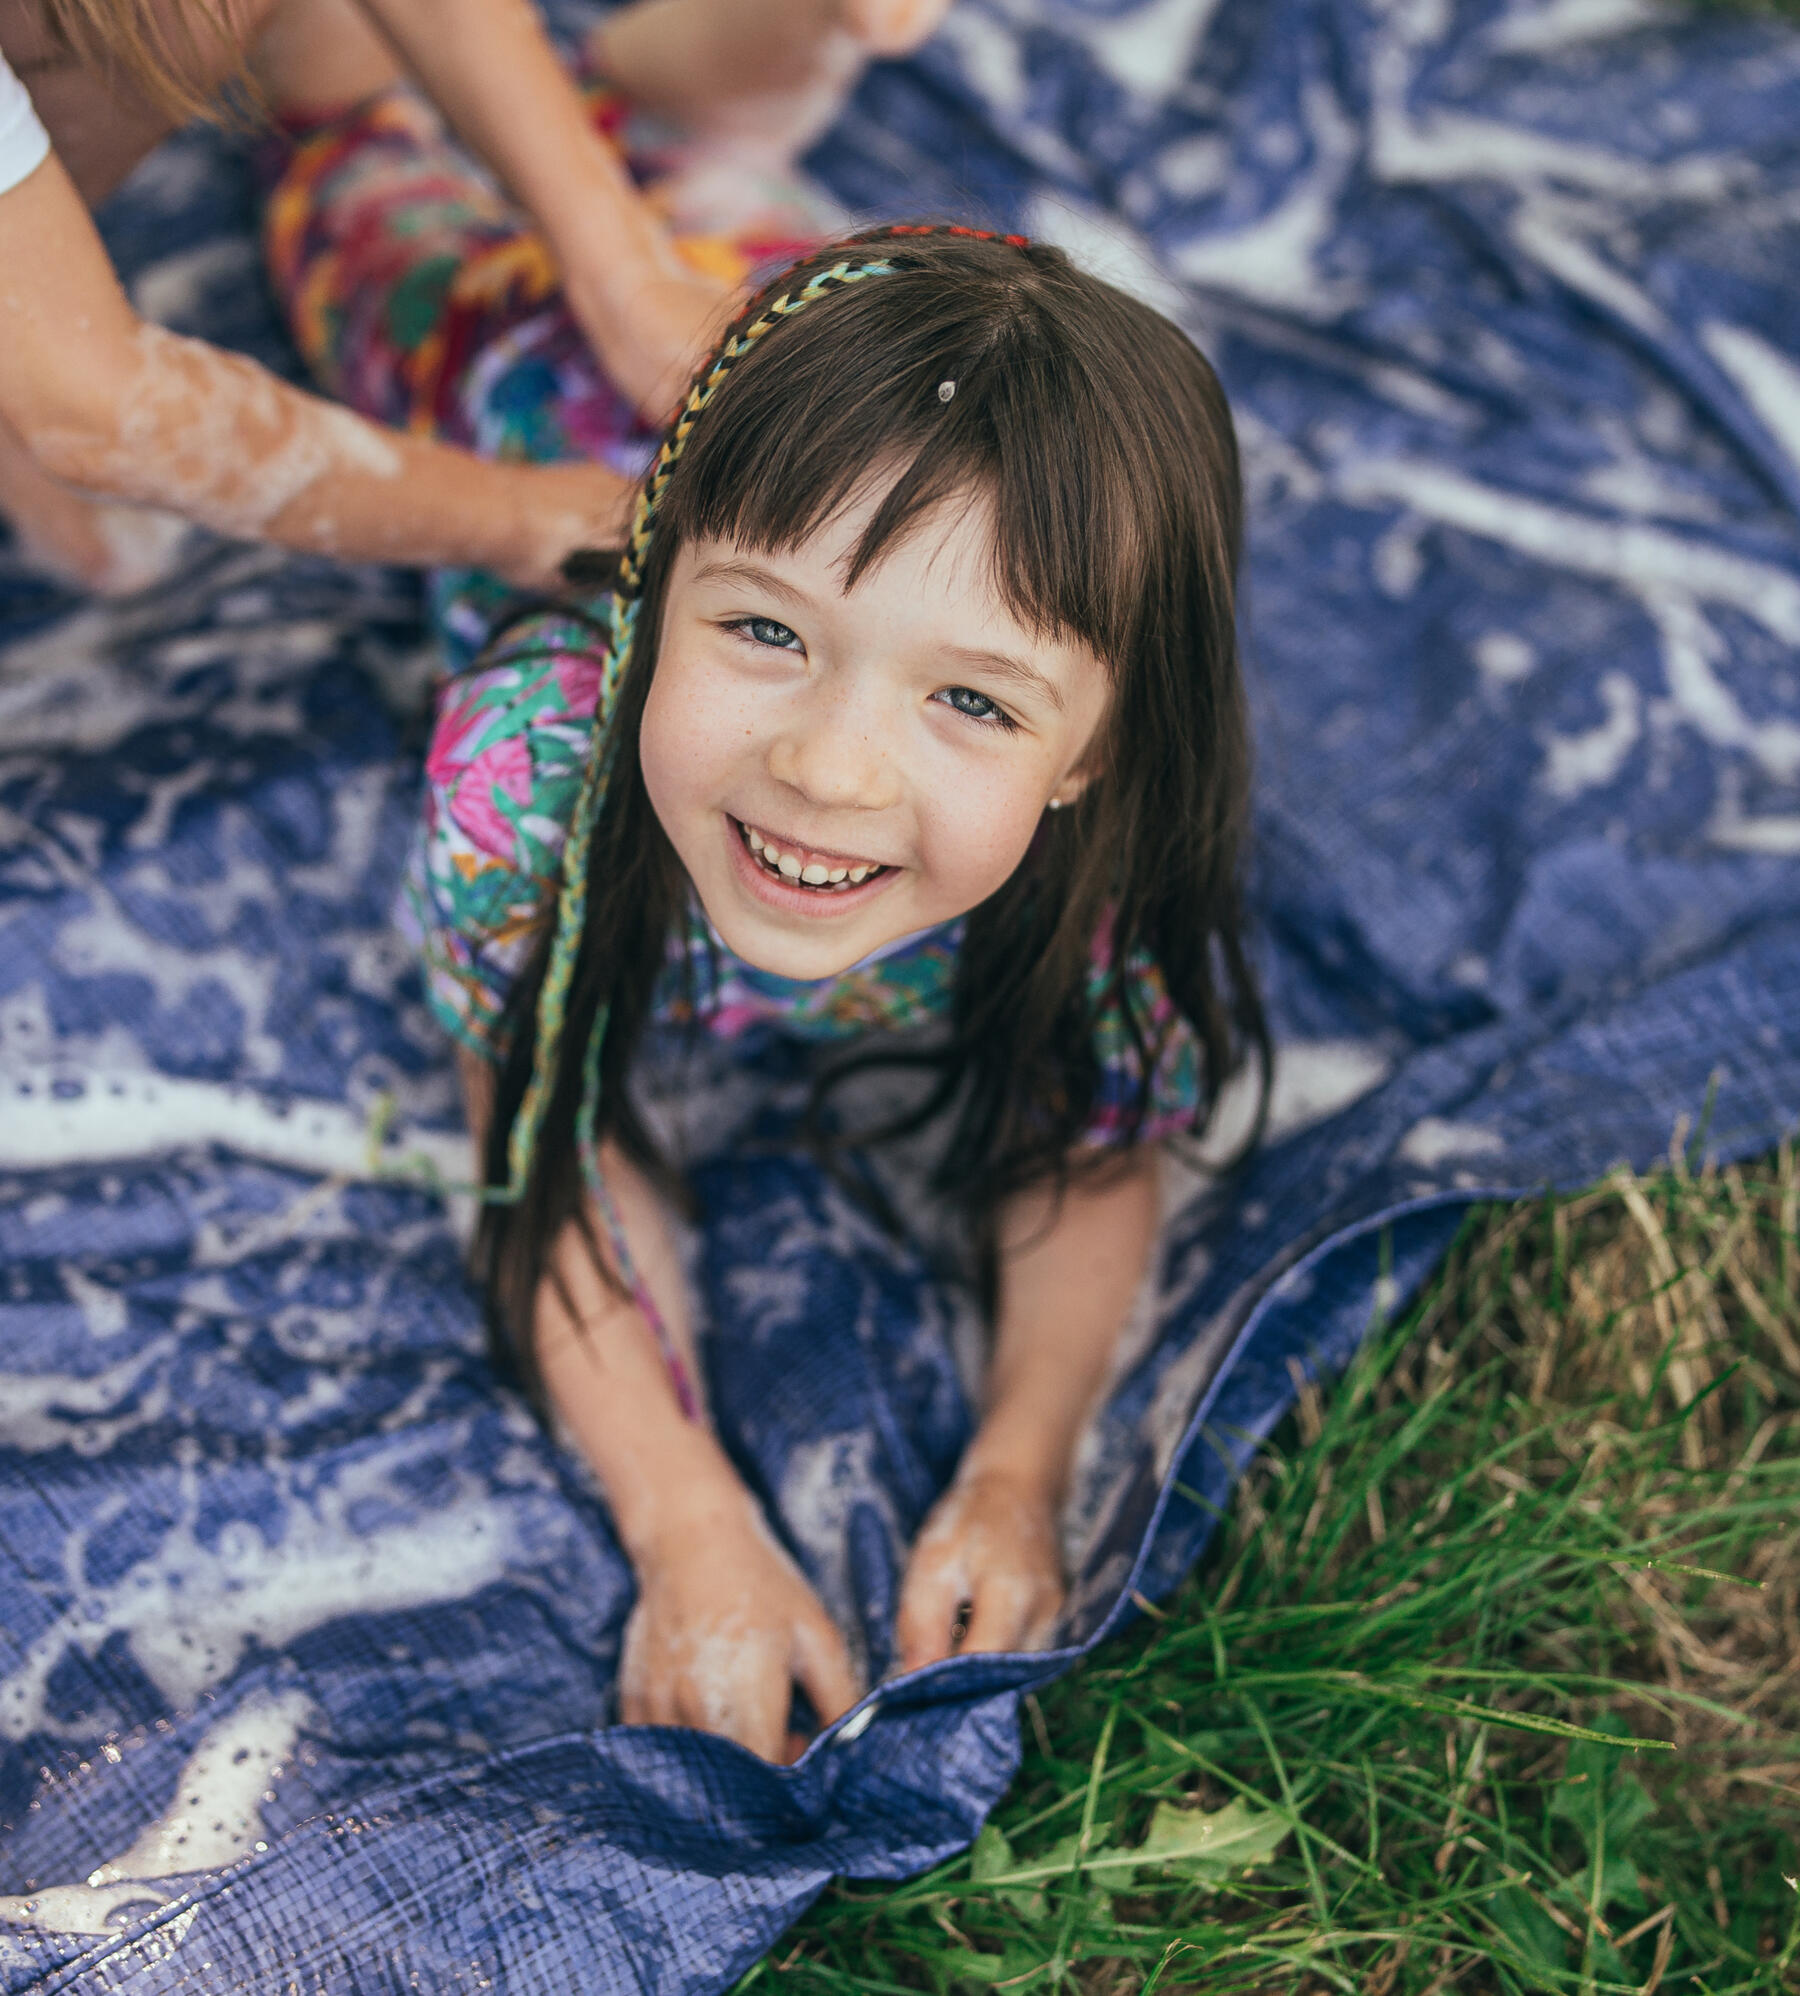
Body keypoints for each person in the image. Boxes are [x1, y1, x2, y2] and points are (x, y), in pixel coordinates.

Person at [256, 35, 1264, 1763]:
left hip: (784, 338)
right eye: (764, 635)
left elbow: (1093, 1133)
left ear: (1096, 747)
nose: (830, 772)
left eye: (970, 699)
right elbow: (542, 1120)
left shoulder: (1098, 841)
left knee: (702, 179)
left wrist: (1020, 1472)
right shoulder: (538, 759)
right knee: (333, 122)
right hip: (497, 345)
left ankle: (642, 78)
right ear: (654, 603)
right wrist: (686, 1522)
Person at [0, 0, 943, 593]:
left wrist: (628, 275)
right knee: (340, 94)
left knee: (366, 118)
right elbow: (105, 405)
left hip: (629, 287)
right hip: (517, 317)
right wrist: (522, 524)